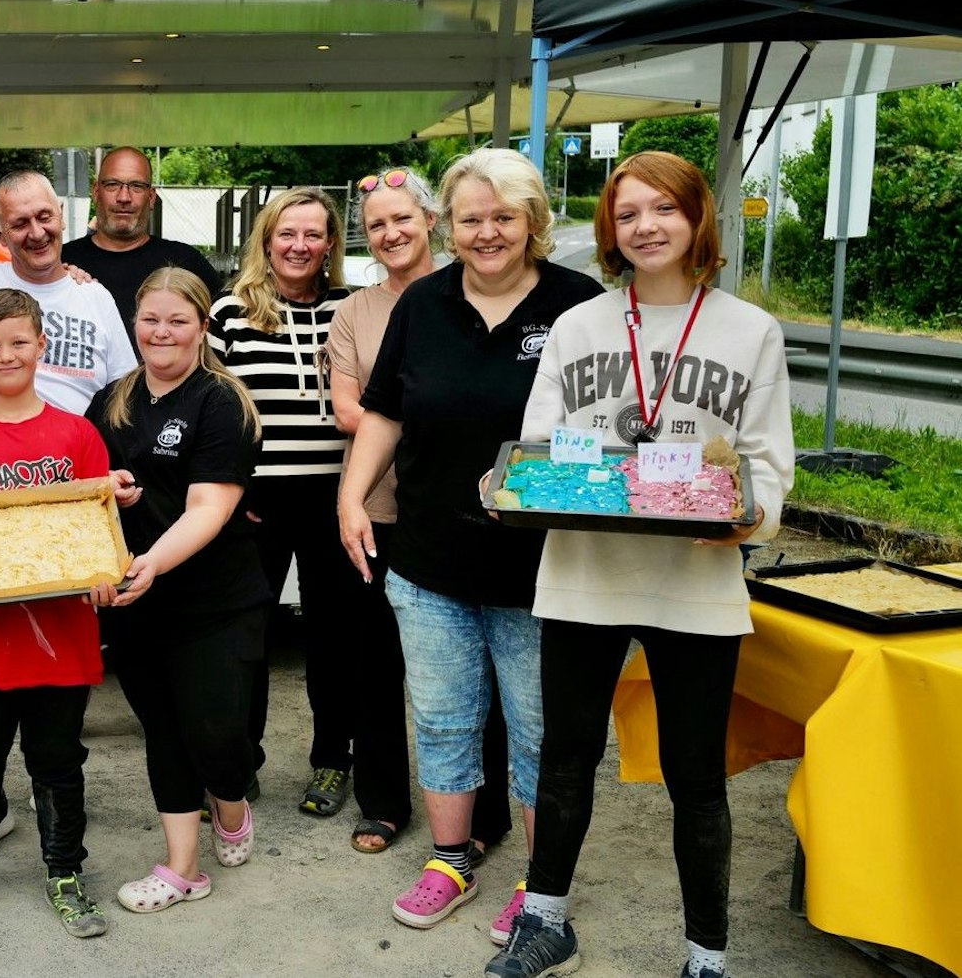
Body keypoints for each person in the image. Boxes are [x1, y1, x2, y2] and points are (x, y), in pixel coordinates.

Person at [486, 152, 794, 978]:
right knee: (565, 758)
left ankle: (706, 957)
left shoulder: (748, 330)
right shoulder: (580, 325)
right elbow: (538, 447)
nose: (645, 226)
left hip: (695, 582)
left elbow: (767, 464)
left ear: (697, 219)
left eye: (662, 209)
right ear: (609, 230)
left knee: (696, 777)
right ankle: (544, 920)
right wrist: (521, 488)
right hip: (585, 572)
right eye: (627, 214)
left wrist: (743, 520)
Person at [338, 147, 602, 941]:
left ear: (532, 222)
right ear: (446, 226)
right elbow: (383, 411)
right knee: (445, 721)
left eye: (502, 217)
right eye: (470, 219)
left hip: (542, 572)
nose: (486, 233)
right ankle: (450, 858)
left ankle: (537, 882)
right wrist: (351, 498)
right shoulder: (422, 305)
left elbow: (609, 431)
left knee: (535, 733)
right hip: (428, 563)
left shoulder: (578, 306)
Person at [328, 168, 513, 858]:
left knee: (483, 675)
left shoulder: (475, 296)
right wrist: (443, 414)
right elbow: (352, 410)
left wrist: (433, 412)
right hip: (379, 510)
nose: (390, 232)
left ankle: (486, 812)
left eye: (402, 218)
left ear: (431, 221)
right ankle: (382, 803)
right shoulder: (358, 312)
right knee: (378, 667)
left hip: (465, 515)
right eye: (376, 224)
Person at [85, 268, 271, 915]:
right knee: (163, 730)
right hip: (140, 606)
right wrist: (109, 488)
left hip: (216, 601)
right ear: (134, 322)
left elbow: (207, 509)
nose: (161, 332)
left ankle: (229, 801)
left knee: (216, 734)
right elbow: (86, 491)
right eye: (150, 319)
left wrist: (148, 564)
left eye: (176, 320)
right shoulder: (110, 399)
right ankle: (182, 868)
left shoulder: (221, 403)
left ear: (200, 327)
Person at [0, 288, 112, 940]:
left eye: (18, 342)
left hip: (60, 637)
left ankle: (65, 872)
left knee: (57, 761)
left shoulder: (77, 434)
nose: (6, 355)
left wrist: (100, 579)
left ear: (40, 346)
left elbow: (96, 530)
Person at [206, 186, 364, 820]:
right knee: (249, 632)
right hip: (256, 499)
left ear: (330, 244)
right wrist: (228, 488)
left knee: (335, 633)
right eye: (287, 234)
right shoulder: (229, 314)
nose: (300, 246)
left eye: (314, 234)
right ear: (266, 241)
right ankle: (242, 759)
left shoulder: (352, 309)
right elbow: (210, 409)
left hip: (337, 498)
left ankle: (332, 759)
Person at [0, 169, 138, 412]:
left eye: (44, 217)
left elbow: (125, 390)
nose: (37, 233)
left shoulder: (96, 297)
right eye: (20, 224)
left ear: (60, 214)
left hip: (81, 447)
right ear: (0, 235)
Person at [61, 147, 223, 334]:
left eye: (136, 186)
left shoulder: (186, 263)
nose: (124, 197)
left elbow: (228, 326)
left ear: (151, 197)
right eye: (113, 184)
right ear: (96, 192)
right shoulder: (61, 263)